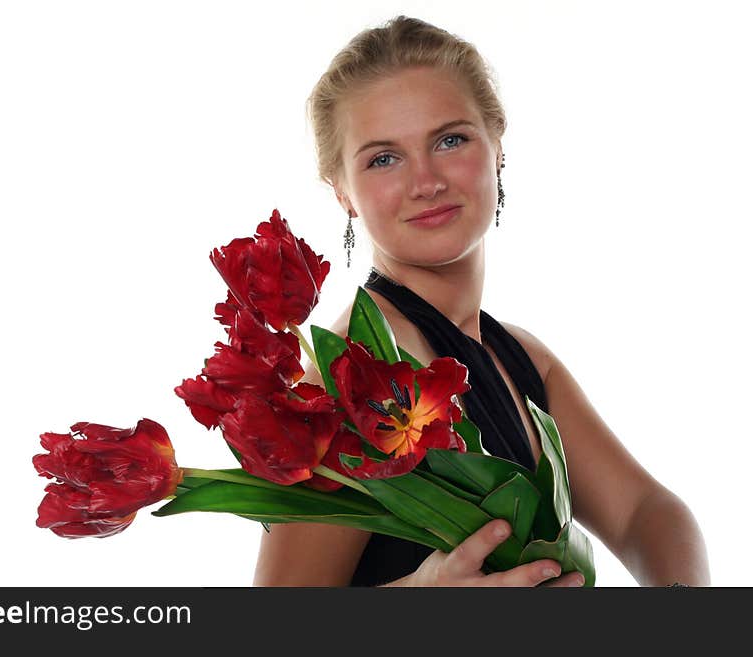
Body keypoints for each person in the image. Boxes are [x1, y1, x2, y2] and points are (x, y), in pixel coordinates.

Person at [252, 15, 710, 587]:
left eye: (450, 140)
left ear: (497, 146)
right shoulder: (351, 373)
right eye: (383, 158)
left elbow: (650, 513)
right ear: (342, 190)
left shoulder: (519, 355)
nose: (427, 181)